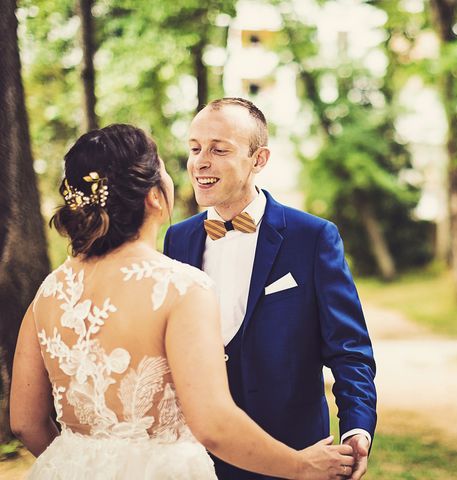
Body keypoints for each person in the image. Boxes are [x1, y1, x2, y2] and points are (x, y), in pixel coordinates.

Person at [9, 124, 356, 479]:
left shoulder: (50, 291)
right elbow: (213, 424)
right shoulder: (181, 286)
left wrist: (81, 463)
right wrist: (299, 466)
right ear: (154, 196)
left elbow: (25, 422)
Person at [164, 98, 377, 480]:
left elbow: (349, 350)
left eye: (219, 149)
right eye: (194, 149)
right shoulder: (177, 240)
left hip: (295, 454)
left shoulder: (313, 237)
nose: (200, 162)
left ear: (258, 160)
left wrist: (356, 428)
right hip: (198, 458)